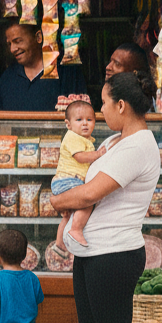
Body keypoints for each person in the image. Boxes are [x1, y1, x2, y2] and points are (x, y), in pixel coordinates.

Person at [51, 71, 160, 323]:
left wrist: (57, 202)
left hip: (114, 254)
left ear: (121, 106)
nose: (98, 110)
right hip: (91, 253)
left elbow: (91, 192)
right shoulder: (116, 140)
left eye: (103, 103)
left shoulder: (138, 147)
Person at [0, 22, 86, 111]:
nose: (13, 49)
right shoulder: (8, 78)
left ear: (38, 37)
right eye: (9, 44)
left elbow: (83, 117)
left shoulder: (66, 71)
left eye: (18, 41)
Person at [52, 99, 108, 249]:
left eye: (89, 120)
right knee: (87, 202)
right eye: (79, 120)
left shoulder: (85, 139)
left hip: (68, 181)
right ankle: (76, 229)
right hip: (68, 180)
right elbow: (80, 157)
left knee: (68, 215)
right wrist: (98, 155)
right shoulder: (72, 137)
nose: (85, 123)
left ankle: (59, 243)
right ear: (68, 124)